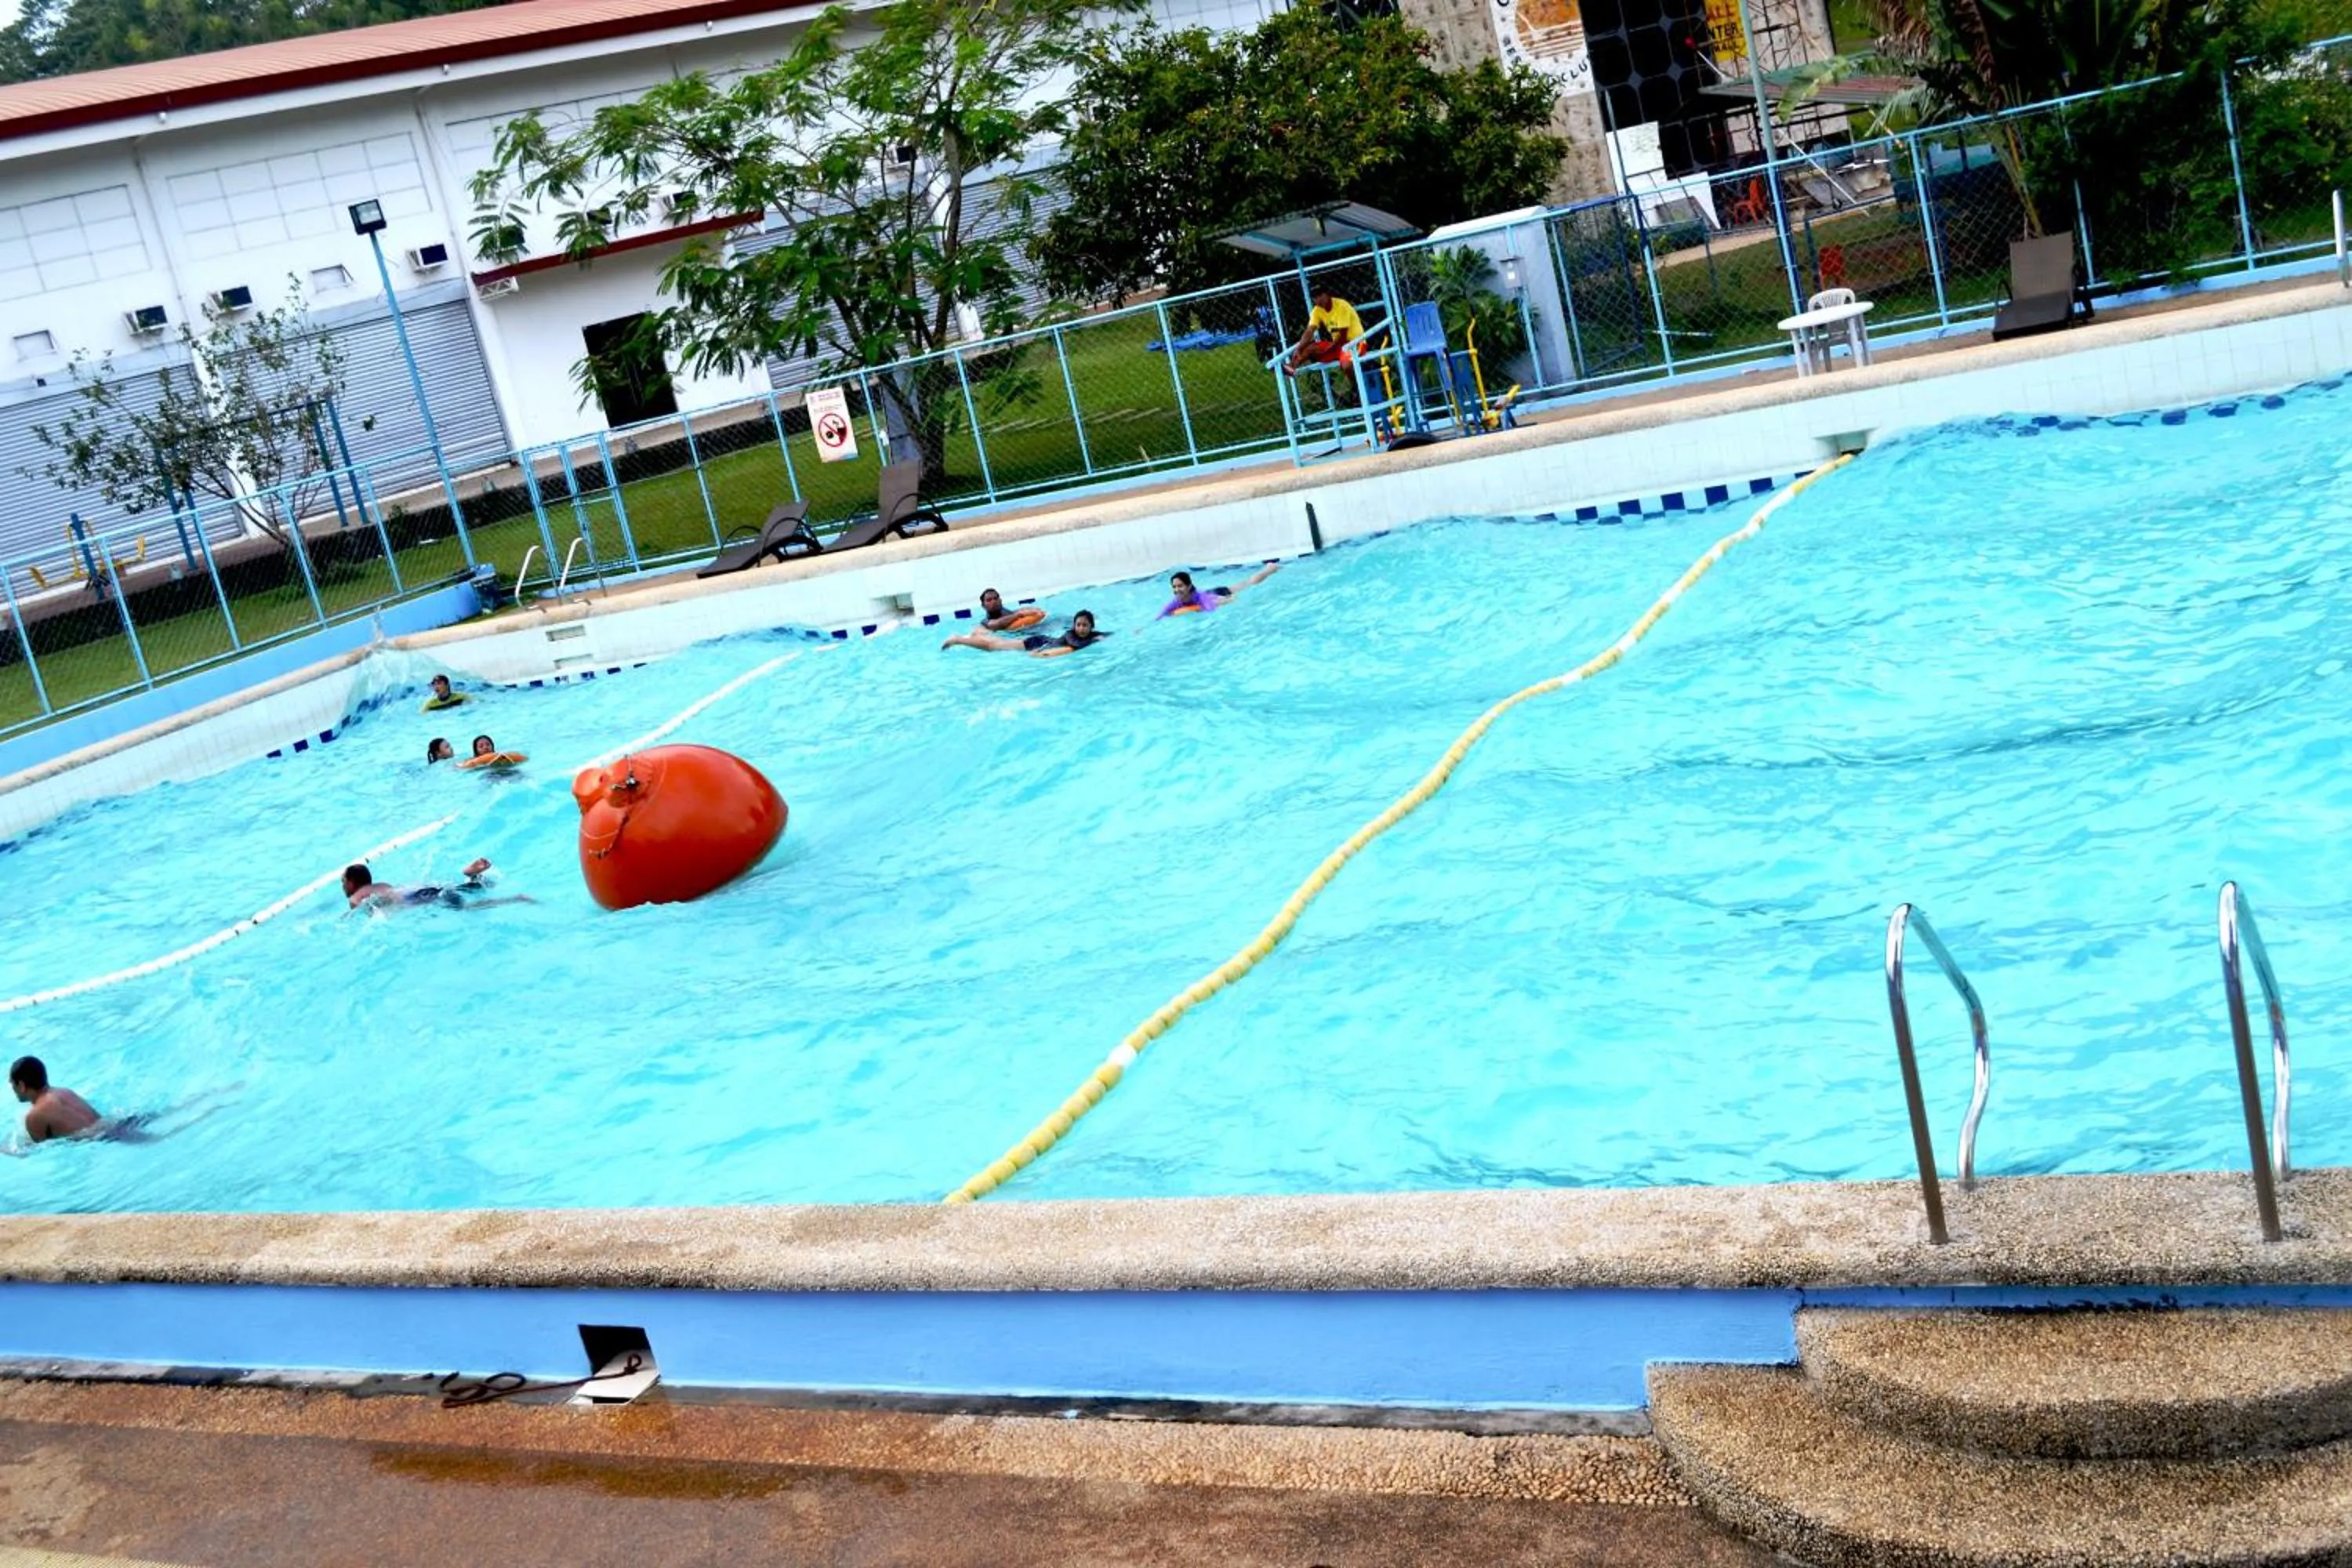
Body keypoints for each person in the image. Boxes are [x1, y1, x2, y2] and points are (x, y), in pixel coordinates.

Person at [343, 858, 533, 913]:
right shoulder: (382, 885)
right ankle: (472, 877)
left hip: (419, 897)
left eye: (343, 882)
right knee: (457, 890)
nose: (343, 886)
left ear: (351, 883)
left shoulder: (356, 896)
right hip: (421, 890)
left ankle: (516, 899)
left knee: (467, 907)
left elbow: (360, 911)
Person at [942, 609, 1108, 657]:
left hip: (1044, 642)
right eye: (1078, 625)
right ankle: (957, 639)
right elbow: (1077, 645)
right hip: (1038, 643)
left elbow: (1104, 635)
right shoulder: (1073, 636)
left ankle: (977, 634)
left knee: (997, 642)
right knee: (994, 646)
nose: (1081, 628)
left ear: (1091, 627)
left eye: (1085, 626)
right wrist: (1041, 654)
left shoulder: (1090, 635)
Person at [9, 1056, 100, 1143]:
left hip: (95, 1142)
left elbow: (36, 1151)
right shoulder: (65, 1092)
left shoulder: (35, 1116)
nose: (12, 1088)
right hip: (108, 1128)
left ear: (21, 1086)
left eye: (12, 1083)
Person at [1158, 563, 1281, 619]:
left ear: (1189, 586)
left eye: (1180, 586)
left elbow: (1227, 600)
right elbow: (1162, 614)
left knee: (1250, 583)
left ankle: (1270, 568)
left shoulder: (1202, 599)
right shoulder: (1176, 601)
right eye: (1174, 587)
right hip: (1209, 593)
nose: (1177, 590)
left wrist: (1230, 600)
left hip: (1218, 593)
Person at [1286, 289, 1365, 373]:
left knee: (1346, 366)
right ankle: (1291, 367)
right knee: (1309, 348)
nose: (1318, 299)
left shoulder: (1342, 306)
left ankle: (1355, 386)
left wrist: (1328, 349)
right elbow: (1309, 331)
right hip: (1338, 346)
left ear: (1328, 294)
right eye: (1315, 297)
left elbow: (1343, 336)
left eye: (1320, 295)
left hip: (1355, 345)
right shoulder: (1317, 310)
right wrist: (1299, 348)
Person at [975, 588, 1046, 633]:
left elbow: (1015, 612)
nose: (994, 602)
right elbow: (996, 624)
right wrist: (1020, 614)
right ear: (983, 606)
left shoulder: (1005, 611)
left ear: (1000, 600)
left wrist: (1032, 610)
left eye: (996, 598)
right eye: (989, 600)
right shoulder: (985, 622)